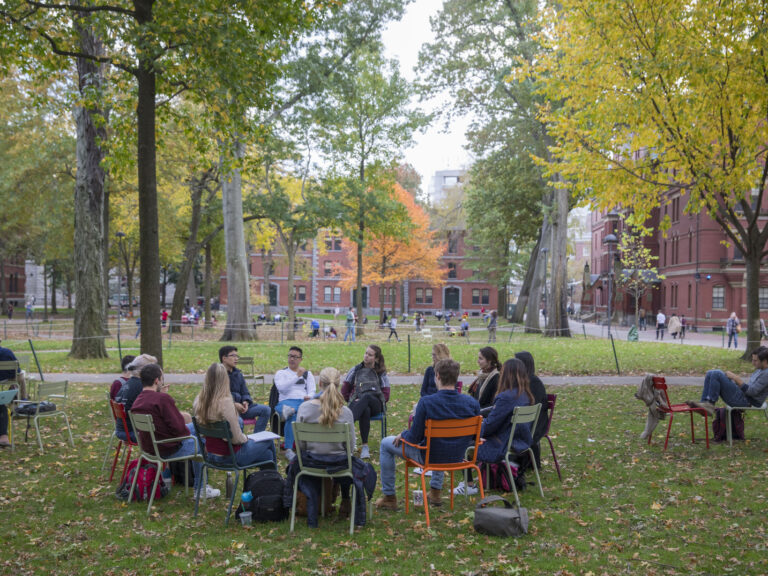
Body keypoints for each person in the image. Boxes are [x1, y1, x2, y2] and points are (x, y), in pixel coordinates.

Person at [376, 358, 480, 510]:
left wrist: (403, 434)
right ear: (457, 377)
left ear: (437, 376)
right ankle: (435, 493)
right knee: (439, 443)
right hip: (457, 456)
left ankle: (389, 497)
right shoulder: (472, 403)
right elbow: (475, 437)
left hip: (430, 457)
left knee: (386, 443)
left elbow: (414, 438)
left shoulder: (427, 402)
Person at [131, 363, 220, 499]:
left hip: (150, 447)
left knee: (197, 427)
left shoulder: (138, 400)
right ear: (157, 380)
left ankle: (192, 480)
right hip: (168, 448)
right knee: (200, 441)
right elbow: (179, 430)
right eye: (162, 378)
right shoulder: (162, 399)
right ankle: (201, 488)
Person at [454, 358, 534, 496]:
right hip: (519, 441)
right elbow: (498, 417)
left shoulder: (505, 397)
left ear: (506, 375)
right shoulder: (525, 395)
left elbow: (490, 426)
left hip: (501, 445)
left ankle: (469, 485)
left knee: (463, 443)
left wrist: (474, 428)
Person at [296, 367, 356, 518]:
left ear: (319, 383)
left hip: (311, 462)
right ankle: (346, 499)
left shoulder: (304, 408)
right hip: (339, 464)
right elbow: (350, 447)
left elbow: (301, 446)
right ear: (339, 385)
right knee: (352, 462)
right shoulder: (346, 412)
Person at [194, 363, 276, 470]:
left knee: (267, 455)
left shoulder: (199, 400)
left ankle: (268, 483)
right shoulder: (225, 402)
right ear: (225, 380)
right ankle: (277, 481)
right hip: (230, 457)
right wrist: (246, 438)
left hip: (209, 455)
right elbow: (236, 439)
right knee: (268, 440)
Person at [687, 346, 768, 416]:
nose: (752, 363)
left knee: (717, 373)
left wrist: (735, 378)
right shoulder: (760, 369)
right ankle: (705, 403)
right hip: (743, 396)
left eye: (755, 360)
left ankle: (709, 405)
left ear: (764, 361)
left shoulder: (766, 373)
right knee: (710, 373)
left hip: (747, 402)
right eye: (752, 360)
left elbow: (752, 392)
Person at [342, 345, 390, 460]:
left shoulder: (381, 373)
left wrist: (364, 399)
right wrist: (354, 400)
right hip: (357, 403)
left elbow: (386, 395)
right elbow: (344, 390)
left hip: (376, 404)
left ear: (376, 358)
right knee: (365, 409)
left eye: (370, 355)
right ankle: (365, 447)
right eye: (365, 353)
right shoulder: (355, 370)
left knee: (367, 397)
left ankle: (346, 424)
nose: (366, 356)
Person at [274, 346, 316, 461]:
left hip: (302, 401)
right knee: (291, 412)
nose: (292, 359)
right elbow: (281, 389)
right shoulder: (281, 373)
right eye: (290, 356)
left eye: (295, 357)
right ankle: (288, 450)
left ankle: (312, 446)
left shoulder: (307, 374)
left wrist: (310, 396)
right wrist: (296, 377)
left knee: (295, 412)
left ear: (301, 359)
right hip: (286, 402)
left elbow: (312, 390)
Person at [219, 346, 270, 433]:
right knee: (238, 421)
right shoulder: (218, 374)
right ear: (224, 358)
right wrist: (234, 404)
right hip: (227, 410)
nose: (236, 359)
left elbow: (245, 392)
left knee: (266, 409)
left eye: (237, 356)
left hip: (242, 409)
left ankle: (257, 438)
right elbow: (219, 397)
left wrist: (246, 402)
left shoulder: (238, 374)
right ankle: (240, 443)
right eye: (233, 356)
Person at [514, 351, 548, 469]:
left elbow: (533, 407)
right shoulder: (521, 381)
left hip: (535, 423)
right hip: (525, 419)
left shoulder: (534, 383)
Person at [115, 354, 157, 442]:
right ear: (145, 371)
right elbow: (154, 413)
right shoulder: (142, 387)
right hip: (135, 432)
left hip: (122, 429)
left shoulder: (127, 384)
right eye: (153, 369)